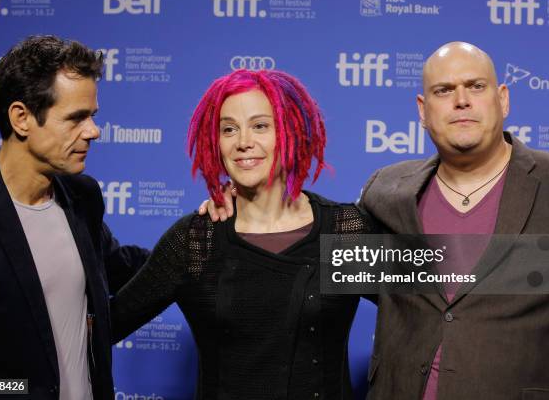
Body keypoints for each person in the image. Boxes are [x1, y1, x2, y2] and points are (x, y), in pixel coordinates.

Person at [204, 42, 549, 400]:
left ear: (503, 98)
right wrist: (247, 202)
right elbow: (312, 256)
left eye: (476, 86)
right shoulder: (386, 192)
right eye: (444, 90)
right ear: (422, 111)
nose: (462, 100)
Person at [110, 69, 379, 399]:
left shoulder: (343, 230)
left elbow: (441, 296)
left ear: (291, 132)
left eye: (260, 126)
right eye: (228, 129)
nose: (243, 142)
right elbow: (101, 328)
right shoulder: (196, 241)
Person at [0, 36, 149, 399]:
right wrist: (20, 391)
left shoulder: (82, 196)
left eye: (92, 116)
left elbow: (121, 270)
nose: (93, 131)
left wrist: (203, 234)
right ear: (22, 118)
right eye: (76, 118)